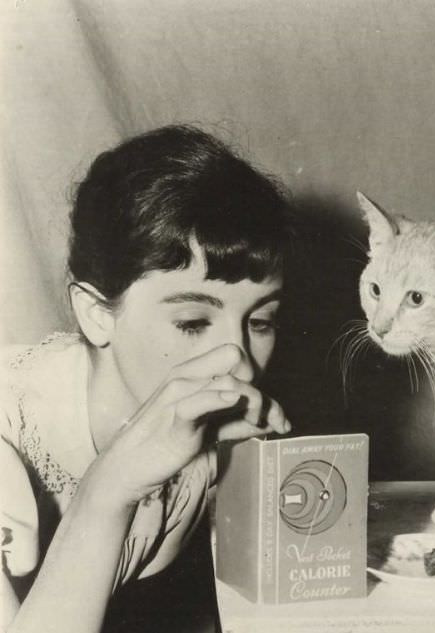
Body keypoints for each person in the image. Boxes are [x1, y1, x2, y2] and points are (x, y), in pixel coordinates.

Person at [0, 125, 294, 633]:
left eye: (261, 321)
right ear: (96, 314)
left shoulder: (208, 438)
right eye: (193, 323)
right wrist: (109, 486)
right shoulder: (10, 429)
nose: (241, 365)